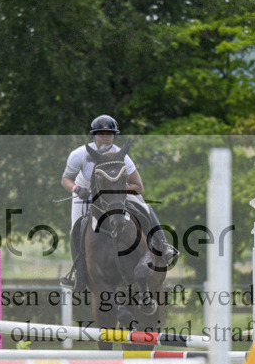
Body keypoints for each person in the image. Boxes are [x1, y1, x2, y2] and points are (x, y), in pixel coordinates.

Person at [59, 115, 177, 289]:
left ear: (114, 136)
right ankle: (78, 272)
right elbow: (65, 179)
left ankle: (164, 245)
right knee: (75, 229)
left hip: (116, 192)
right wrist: (76, 189)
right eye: (101, 134)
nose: (105, 137)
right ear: (94, 136)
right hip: (85, 193)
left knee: (145, 206)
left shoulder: (122, 156)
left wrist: (116, 190)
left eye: (109, 133)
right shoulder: (79, 155)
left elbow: (139, 187)